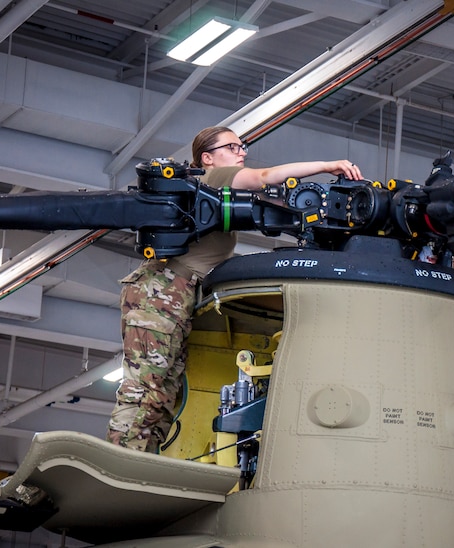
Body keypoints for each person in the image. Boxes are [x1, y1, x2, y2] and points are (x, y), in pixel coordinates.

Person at [106, 126, 363, 452]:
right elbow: (266, 176)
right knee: (147, 386)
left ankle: (139, 461)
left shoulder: (215, 192)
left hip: (175, 291)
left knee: (164, 390)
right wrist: (327, 165)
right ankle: (120, 456)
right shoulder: (213, 178)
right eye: (233, 146)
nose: (242, 152)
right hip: (163, 288)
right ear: (208, 158)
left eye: (242, 146)